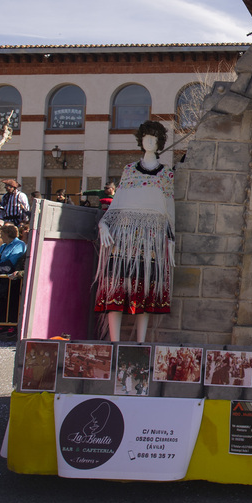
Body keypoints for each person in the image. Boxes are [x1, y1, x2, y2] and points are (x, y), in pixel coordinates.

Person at [95, 120, 175, 343]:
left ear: (159, 143)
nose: (149, 141)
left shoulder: (166, 175)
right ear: (141, 141)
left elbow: (169, 210)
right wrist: (104, 224)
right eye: (146, 137)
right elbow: (117, 203)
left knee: (147, 288)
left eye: (154, 138)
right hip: (124, 236)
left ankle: (140, 342)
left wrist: (171, 239)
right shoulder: (129, 170)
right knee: (117, 286)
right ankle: (114, 341)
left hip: (151, 239)